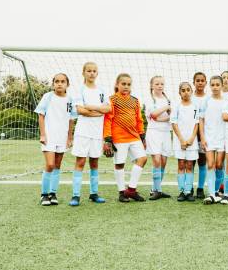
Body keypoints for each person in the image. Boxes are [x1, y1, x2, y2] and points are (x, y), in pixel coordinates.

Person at [69, 62, 110, 207]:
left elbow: (108, 108)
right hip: (83, 132)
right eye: (89, 71)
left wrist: (92, 108)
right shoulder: (79, 90)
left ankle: (94, 193)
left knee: (94, 162)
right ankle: (76, 195)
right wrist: (99, 112)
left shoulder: (102, 90)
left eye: (94, 71)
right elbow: (81, 110)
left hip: (97, 132)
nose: (91, 73)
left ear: (97, 73)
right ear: (83, 73)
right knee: (80, 162)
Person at [103, 73, 147, 202]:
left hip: (134, 137)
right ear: (117, 85)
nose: (126, 86)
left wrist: (142, 134)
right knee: (120, 164)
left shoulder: (135, 100)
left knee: (142, 159)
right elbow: (108, 120)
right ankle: (122, 192)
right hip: (119, 137)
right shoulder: (112, 99)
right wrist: (107, 138)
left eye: (128, 84)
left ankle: (131, 190)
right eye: (123, 84)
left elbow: (139, 119)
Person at [35, 73, 76, 206]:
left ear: (67, 84)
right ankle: (44, 194)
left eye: (62, 81)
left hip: (62, 137)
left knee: (57, 166)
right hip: (49, 136)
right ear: (53, 84)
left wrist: (70, 137)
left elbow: (71, 119)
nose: (59, 83)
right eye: (57, 81)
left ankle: (53, 193)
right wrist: (43, 134)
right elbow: (41, 115)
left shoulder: (70, 99)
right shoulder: (48, 97)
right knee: (50, 165)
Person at [170, 82, 200, 202]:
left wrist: (192, 138)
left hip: (192, 140)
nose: (186, 92)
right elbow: (174, 123)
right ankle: (182, 191)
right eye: (183, 90)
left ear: (191, 92)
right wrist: (182, 139)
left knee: (189, 165)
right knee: (181, 164)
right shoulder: (177, 106)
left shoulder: (195, 106)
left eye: (188, 90)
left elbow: (197, 123)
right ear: (180, 93)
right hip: (179, 141)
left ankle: (188, 191)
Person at [145, 75, 172, 200]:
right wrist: (166, 108)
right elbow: (153, 115)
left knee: (163, 162)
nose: (160, 86)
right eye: (157, 84)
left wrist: (160, 118)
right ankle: (158, 190)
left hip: (166, 132)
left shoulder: (168, 98)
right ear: (152, 85)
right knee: (156, 160)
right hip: (154, 132)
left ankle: (154, 188)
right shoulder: (150, 99)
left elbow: (170, 117)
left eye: (161, 83)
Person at [199, 75, 225, 204]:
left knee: (219, 165)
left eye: (217, 85)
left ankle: (216, 192)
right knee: (210, 164)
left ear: (221, 86)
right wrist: (202, 137)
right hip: (209, 137)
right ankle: (211, 194)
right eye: (213, 85)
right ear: (210, 86)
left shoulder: (226, 100)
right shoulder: (206, 100)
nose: (215, 87)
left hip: (223, 137)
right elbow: (201, 120)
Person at [192, 72, 208, 199]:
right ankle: (189, 187)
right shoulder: (189, 97)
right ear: (194, 82)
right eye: (198, 80)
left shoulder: (208, 98)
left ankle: (200, 188)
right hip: (191, 133)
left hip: (203, 133)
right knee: (190, 162)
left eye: (202, 80)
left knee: (202, 161)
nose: (200, 82)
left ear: (206, 83)